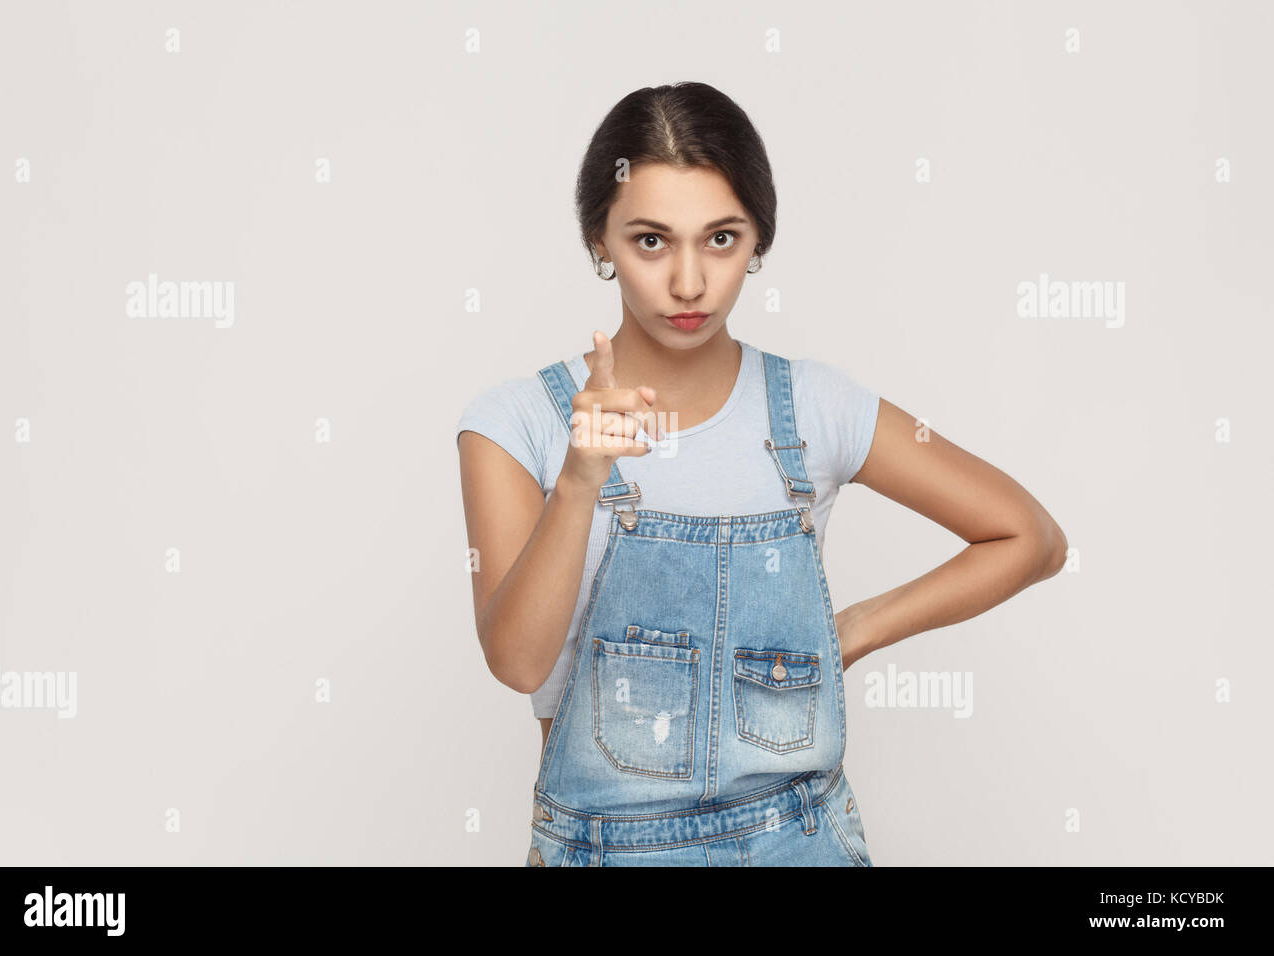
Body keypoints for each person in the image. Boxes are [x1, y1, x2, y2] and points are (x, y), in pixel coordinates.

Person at [455, 82, 1066, 866]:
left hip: (801, 841)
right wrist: (579, 482)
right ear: (598, 241)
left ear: (758, 241)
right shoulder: (516, 420)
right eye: (650, 240)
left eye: (720, 239)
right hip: (601, 850)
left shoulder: (812, 408)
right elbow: (517, 663)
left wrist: (853, 630)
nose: (687, 282)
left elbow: (1033, 538)